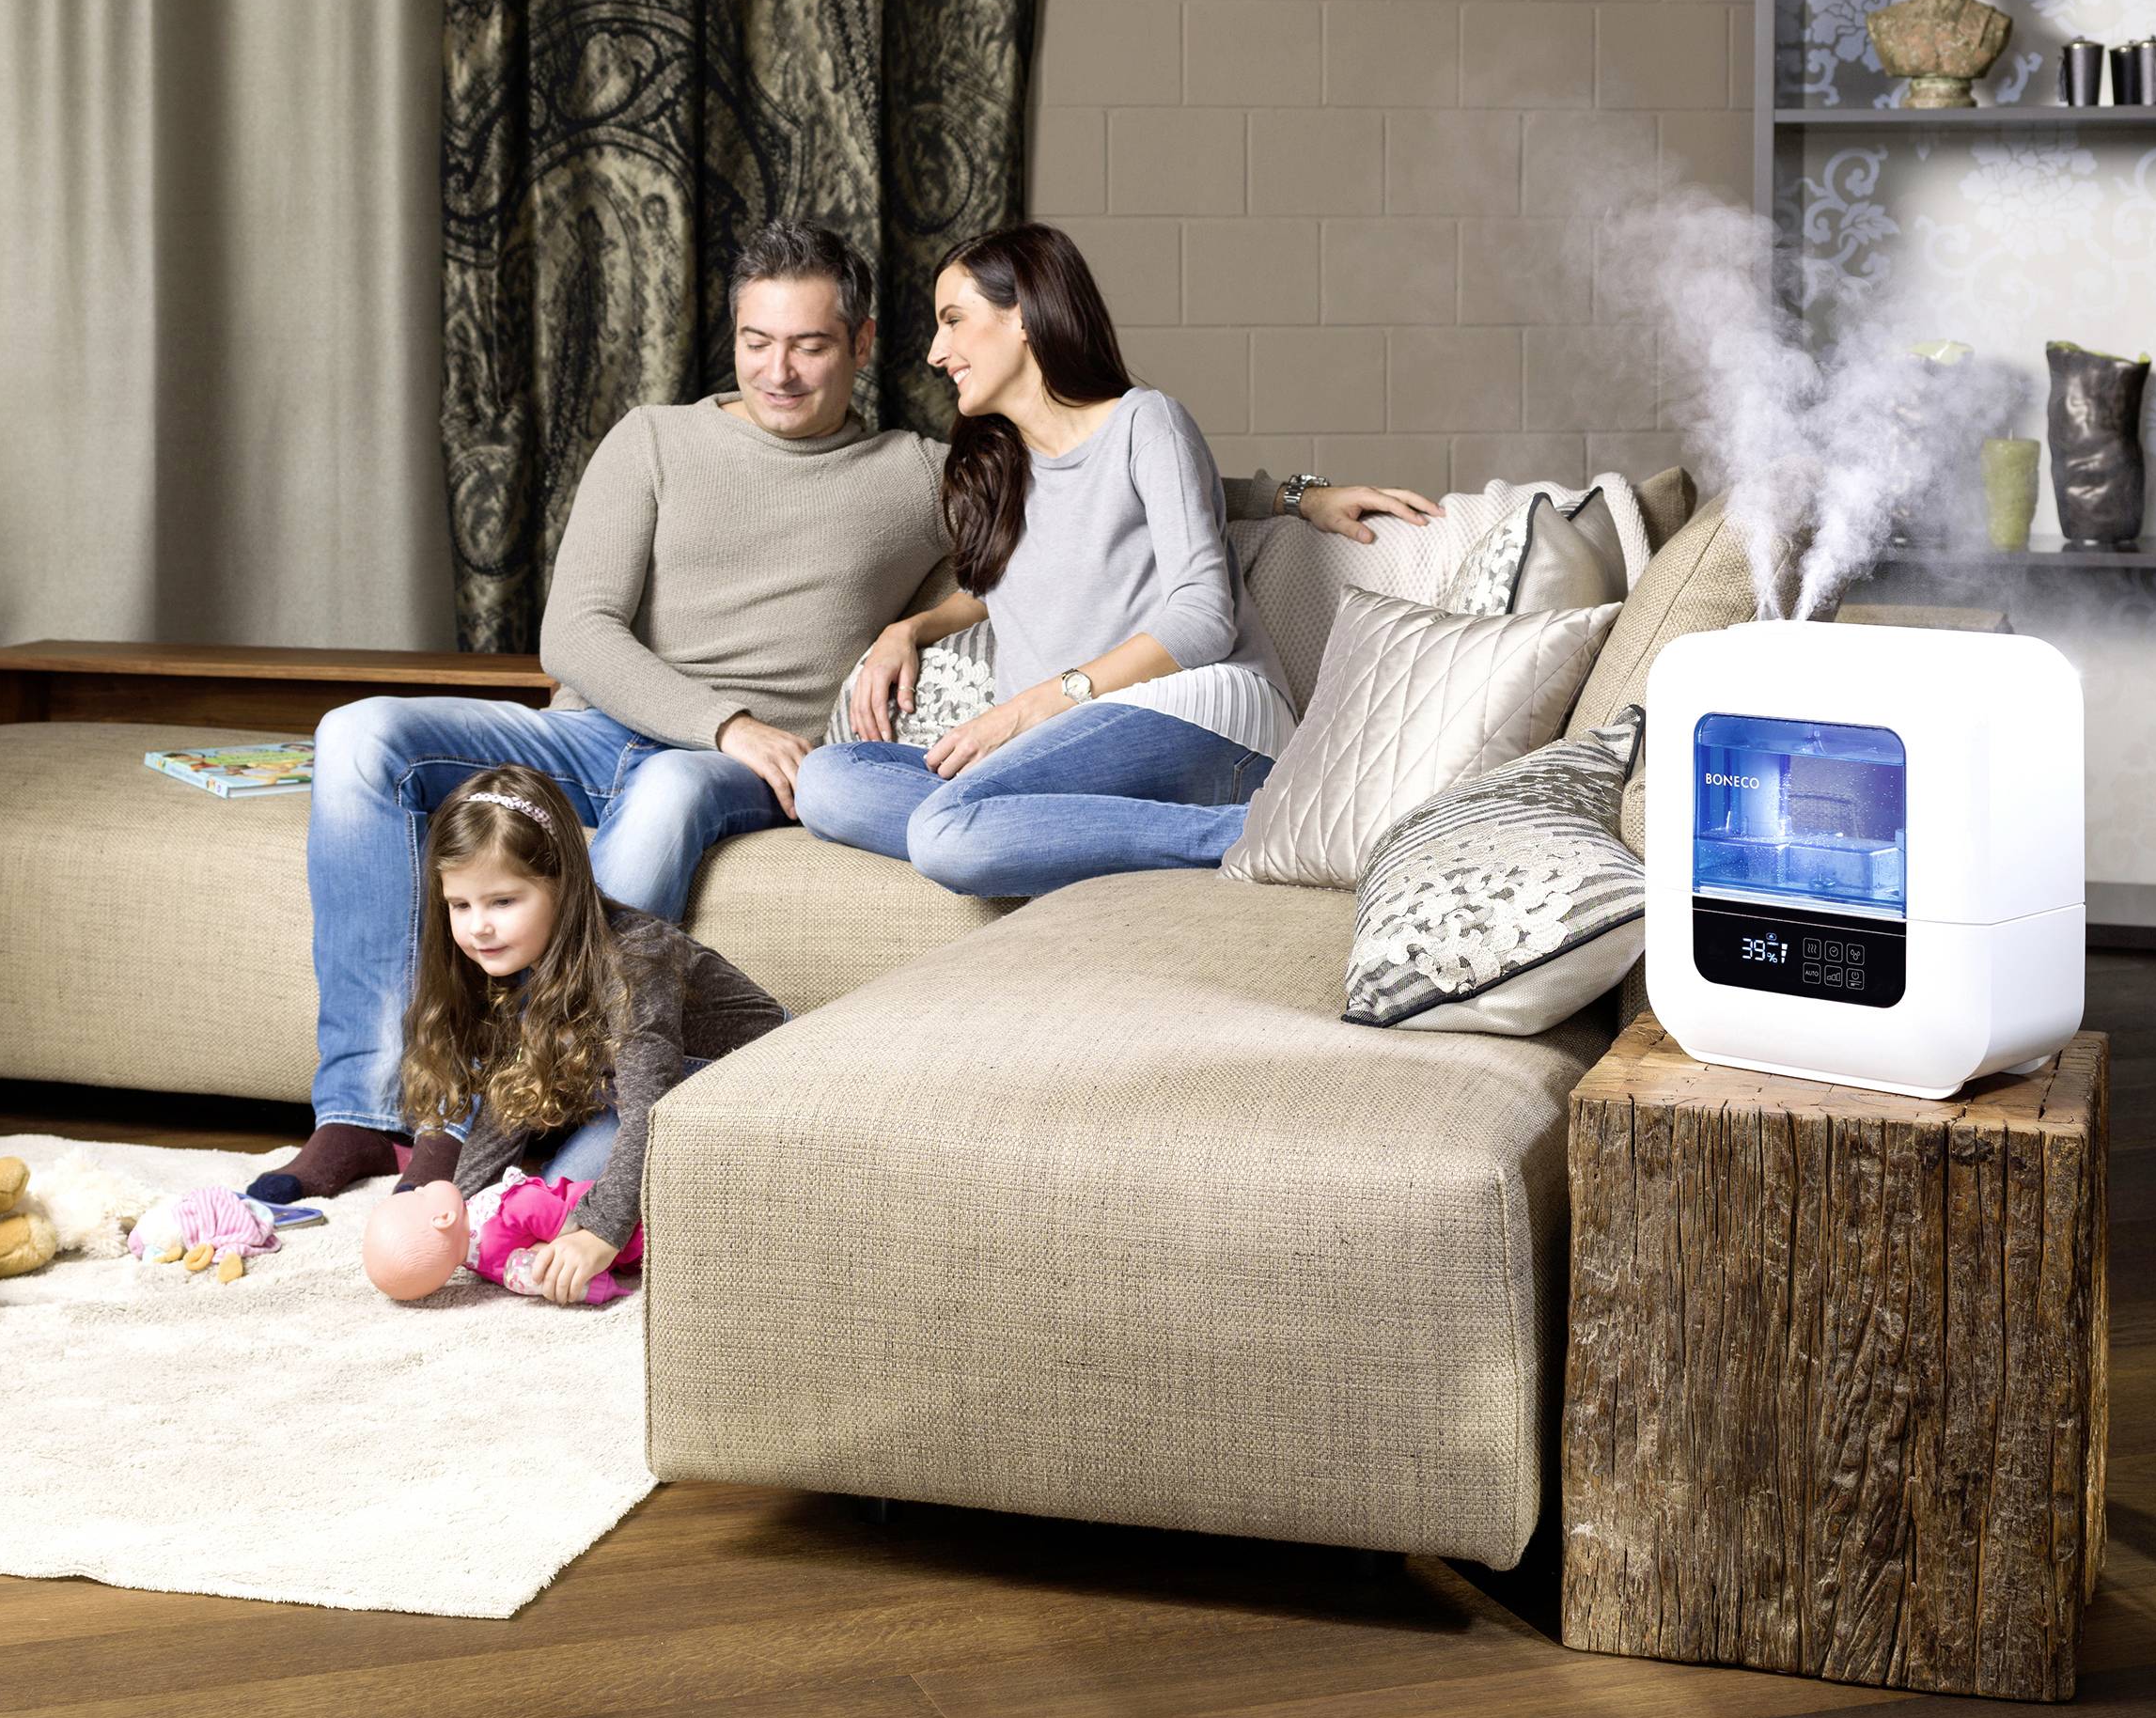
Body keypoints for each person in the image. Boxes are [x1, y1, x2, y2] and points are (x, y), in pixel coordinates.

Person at [254, 220, 1433, 1201]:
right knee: (359, 736)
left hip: (750, 765)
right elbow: (575, 635)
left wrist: (1296, 492)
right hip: (614, 729)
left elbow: (1125, 473)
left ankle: (542, 1113)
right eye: (756, 342)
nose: (778, 370)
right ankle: (362, 1109)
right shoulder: (667, 442)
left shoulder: (924, 469)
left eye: (810, 345)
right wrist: (861, 650)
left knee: (706, 800)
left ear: (859, 347)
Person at [792, 224, 1294, 898]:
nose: (936, 352)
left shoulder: (1145, 422)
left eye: (953, 320)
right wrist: (908, 628)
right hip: (1063, 743)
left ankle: (1267, 835)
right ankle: (1048, 833)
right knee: (825, 780)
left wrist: (1030, 708)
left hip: (1198, 716)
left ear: (1023, 315)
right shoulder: (995, 470)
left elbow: (1204, 619)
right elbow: (1004, 587)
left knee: (946, 834)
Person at [395, 763, 786, 1305]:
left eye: (502, 901)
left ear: (563, 887)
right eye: (461, 905)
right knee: (548, 1200)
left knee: (576, 1216)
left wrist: (601, 1229)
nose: (478, 925)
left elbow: (651, 1104)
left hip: (743, 1081)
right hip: (633, 1089)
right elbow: (510, 1097)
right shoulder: (513, 960)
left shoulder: (635, 956)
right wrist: (459, 1207)